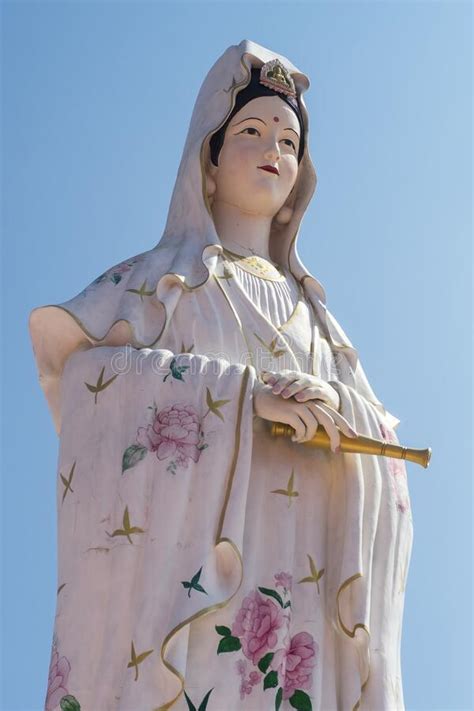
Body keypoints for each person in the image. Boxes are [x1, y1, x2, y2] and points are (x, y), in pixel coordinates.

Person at [29, 40, 413, 711]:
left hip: (302, 592)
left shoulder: (322, 326)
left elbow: (387, 451)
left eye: (291, 141)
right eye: (252, 130)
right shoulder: (161, 285)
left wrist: (343, 414)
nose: (275, 148)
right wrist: (241, 401)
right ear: (208, 159)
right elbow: (92, 387)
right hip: (195, 597)